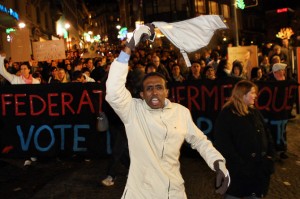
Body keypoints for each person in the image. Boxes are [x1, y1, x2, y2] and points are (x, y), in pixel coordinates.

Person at [105, 24, 230, 199]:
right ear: (141, 94)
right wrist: (130, 45)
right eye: (149, 89)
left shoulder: (181, 112)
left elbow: (200, 141)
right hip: (141, 193)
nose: (154, 92)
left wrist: (218, 163)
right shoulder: (133, 111)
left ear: (167, 91)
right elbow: (113, 91)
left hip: (174, 192)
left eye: (159, 87)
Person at [214, 80, 276, 199]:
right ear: (242, 94)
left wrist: (270, 157)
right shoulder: (227, 114)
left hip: (258, 174)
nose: (255, 96)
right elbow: (223, 144)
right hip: (238, 175)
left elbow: (267, 135)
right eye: (252, 93)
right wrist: (242, 165)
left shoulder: (254, 111)